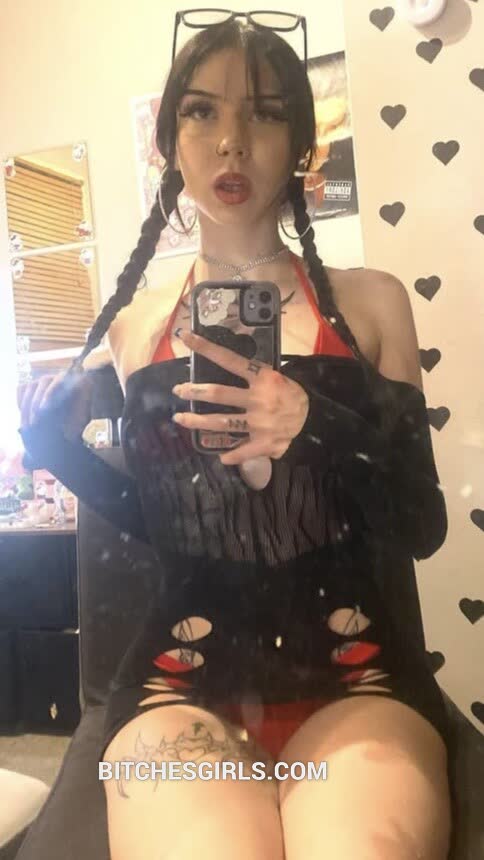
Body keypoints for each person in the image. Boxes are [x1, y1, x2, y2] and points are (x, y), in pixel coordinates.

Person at [18, 14, 455, 860]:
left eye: (263, 112)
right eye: (202, 111)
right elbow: (162, 526)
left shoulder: (372, 304)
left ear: (298, 141)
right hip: (178, 687)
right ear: (168, 140)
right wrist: (57, 448)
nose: (231, 141)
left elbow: (421, 524)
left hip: (358, 679)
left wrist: (314, 423)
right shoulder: (136, 325)